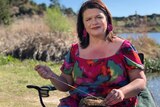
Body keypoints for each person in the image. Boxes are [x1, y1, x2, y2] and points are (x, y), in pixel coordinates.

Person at [35, 0, 147, 106]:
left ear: (107, 19)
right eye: (88, 19)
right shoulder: (75, 50)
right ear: (83, 24)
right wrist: (52, 76)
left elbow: (140, 81)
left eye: (99, 17)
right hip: (79, 103)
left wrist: (122, 92)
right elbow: (65, 85)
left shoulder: (124, 47)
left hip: (117, 104)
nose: (94, 22)